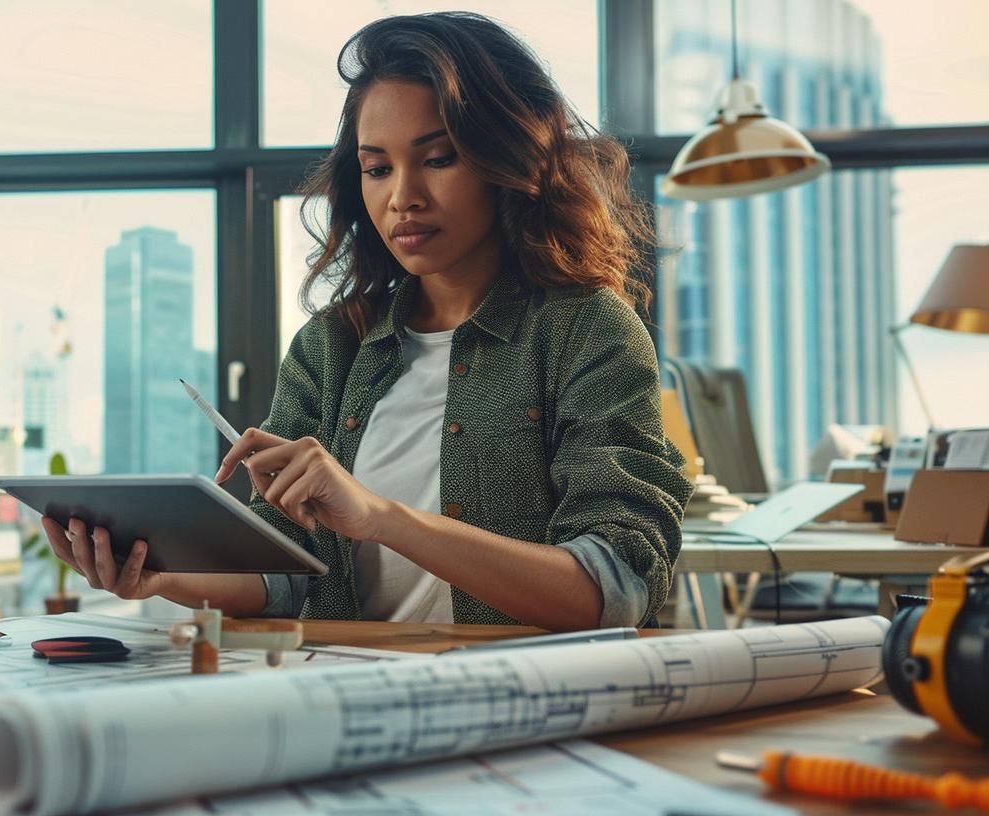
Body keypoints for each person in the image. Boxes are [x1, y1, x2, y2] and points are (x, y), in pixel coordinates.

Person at [39, 12, 694, 631]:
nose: (402, 195)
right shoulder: (331, 347)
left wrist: (380, 516)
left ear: (509, 161)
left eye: (437, 158)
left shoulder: (588, 331)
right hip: (354, 694)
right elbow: (284, 574)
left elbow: (614, 590)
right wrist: (165, 576)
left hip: (525, 707)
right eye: (377, 168)